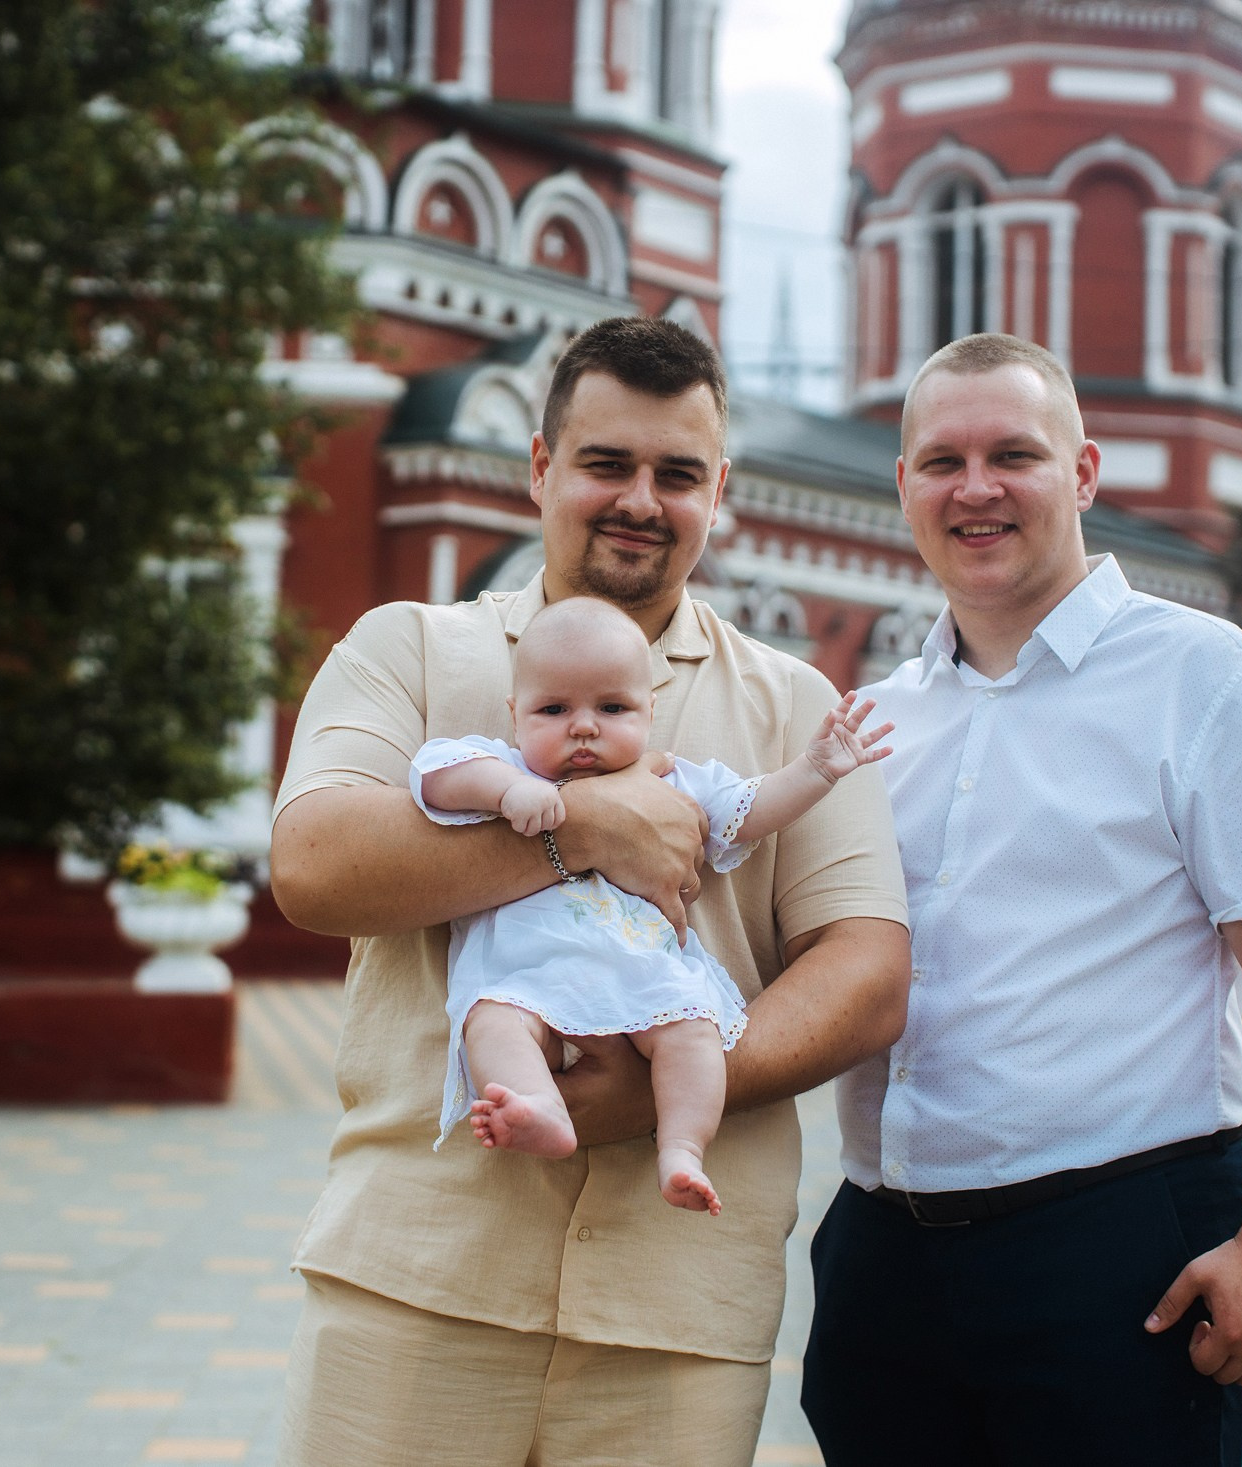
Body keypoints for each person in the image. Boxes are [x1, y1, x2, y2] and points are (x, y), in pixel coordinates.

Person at [269, 315, 911, 1467]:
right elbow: (314, 865)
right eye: (606, 464)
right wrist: (585, 827)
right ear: (539, 467)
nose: (640, 501)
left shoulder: (794, 708)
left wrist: (661, 1090)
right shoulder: (408, 650)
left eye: (678, 475)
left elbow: (866, 972)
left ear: (719, 491)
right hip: (418, 1276)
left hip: (676, 1307)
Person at [801, 333, 1242, 1466]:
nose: (975, 488)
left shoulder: (1206, 679)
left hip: (1120, 1248)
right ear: (903, 485)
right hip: (885, 1255)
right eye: (942, 461)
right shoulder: (872, 722)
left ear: (1084, 473)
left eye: (1013, 454)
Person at [412, 594, 895, 1214]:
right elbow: (435, 774)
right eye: (553, 709)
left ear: (649, 710)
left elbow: (749, 808)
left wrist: (815, 770)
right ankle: (537, 1107)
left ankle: (683, 1148)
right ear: (515, 714)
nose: (583, 727)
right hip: (524, 972)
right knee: (493, 1025)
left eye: (612, 708)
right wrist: (505, 790)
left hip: (643, 973)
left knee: (694, 1034)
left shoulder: (672, 781)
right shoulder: (509, 769)